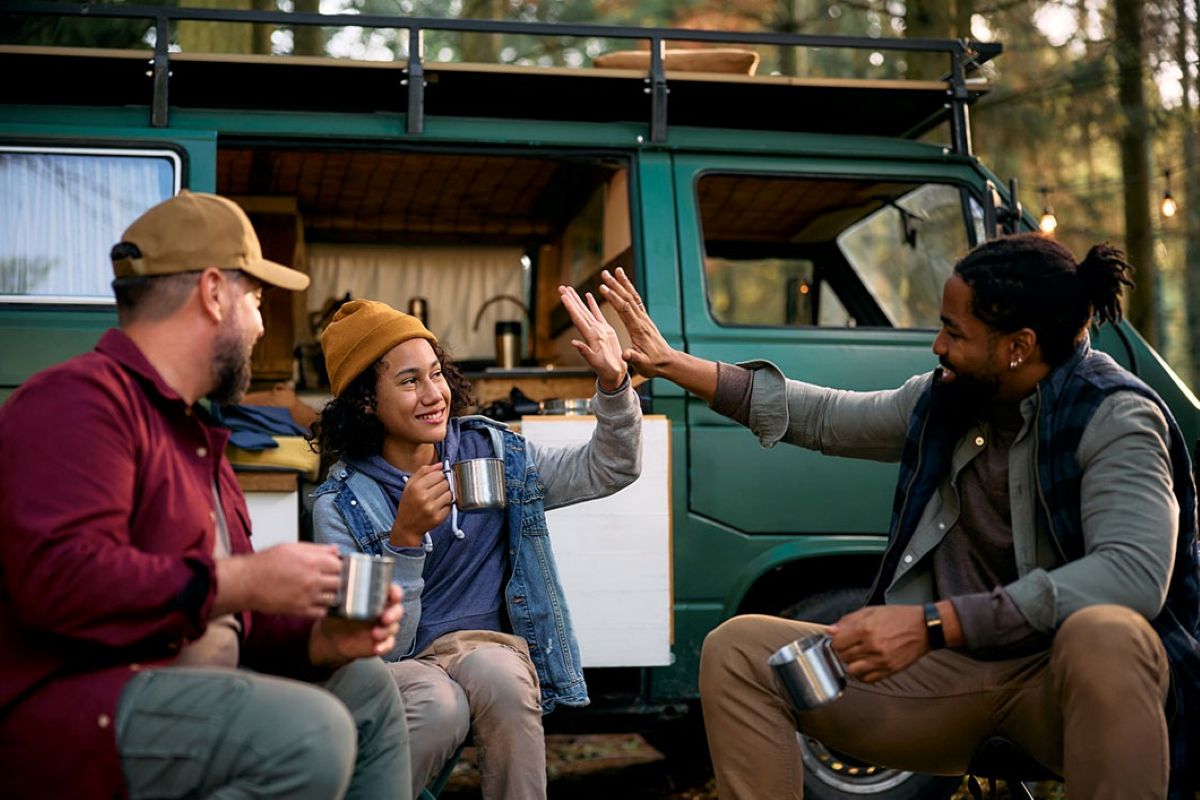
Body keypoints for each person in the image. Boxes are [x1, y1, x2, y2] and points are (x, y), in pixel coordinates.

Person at [598, 234, 1200, 800]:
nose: (938, 346)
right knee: (739, 651)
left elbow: (1131, 577)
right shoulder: (947, 397)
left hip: (1065, 692)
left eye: (953, 332)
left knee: (1108, 634)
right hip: (947, 685)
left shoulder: (1116, 417)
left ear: (1018, 346)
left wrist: (932, 624)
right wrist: (674, 364)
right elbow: (826, 417)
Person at [0, 191, 412, 800]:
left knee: (367, 686)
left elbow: (228, 619)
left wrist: (318, 641)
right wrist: (242, 580)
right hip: (79, 704)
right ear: (214, 292)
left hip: (188, 689)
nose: (261, 323)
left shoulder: (197, 435)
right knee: (307, 732)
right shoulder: (78, 401)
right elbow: (60, 578)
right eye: (256, 299)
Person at [309, 290, 642, 799]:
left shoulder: (492, 454)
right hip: (404, 667)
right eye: (408, 381)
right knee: (441, 706)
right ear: (365, 401)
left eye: (435, 372)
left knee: (501, 676)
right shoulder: (341, 504)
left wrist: (614, 384)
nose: (433, 393)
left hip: (487, 647)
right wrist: (404, 540)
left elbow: (610, 467)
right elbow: (374, 648)